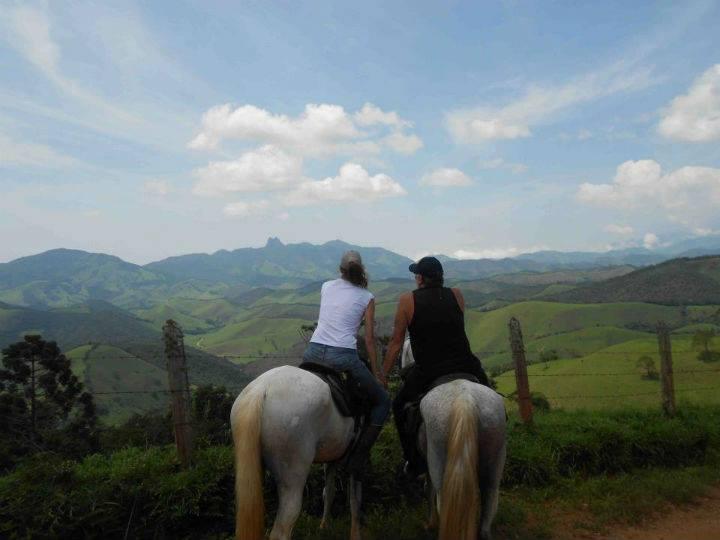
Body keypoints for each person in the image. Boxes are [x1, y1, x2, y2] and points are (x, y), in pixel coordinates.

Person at [380, 256, 489, 476]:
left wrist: (382, 374)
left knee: (400, 405)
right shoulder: (456, 294)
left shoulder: (407, 300)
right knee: (489, 395)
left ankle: (412, 462)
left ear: (420, 278)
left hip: (429, 369)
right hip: (466, 363)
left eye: (416, 275)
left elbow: (395, 343)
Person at [303, 250, 391, 475]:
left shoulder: (326, 287)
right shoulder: (367, 297)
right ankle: (358, 458)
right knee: (382, 402)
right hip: (342, 357)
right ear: (360, 269)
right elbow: (369, 339)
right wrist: (377, 374)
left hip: (312, 352)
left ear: (340, 270)